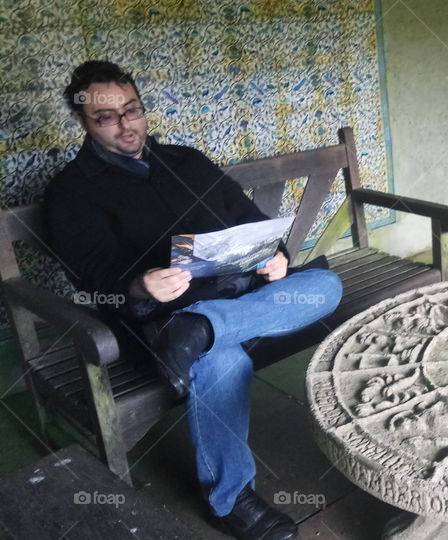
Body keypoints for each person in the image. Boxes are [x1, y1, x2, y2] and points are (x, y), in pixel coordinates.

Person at [43, 60, 342, 540]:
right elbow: (91, 275)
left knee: (327, 286)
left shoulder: (187, 161)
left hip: (237, 298)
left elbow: (248, 218)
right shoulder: (72, 192)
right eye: (106, 117)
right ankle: (230, 501)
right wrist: (140, 284)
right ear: (82, 121)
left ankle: (201, 329)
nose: (126, 125)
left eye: (132, 110)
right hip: (160, 316)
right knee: (223, 363)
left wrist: (278, 256)